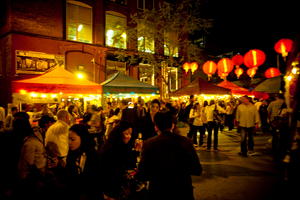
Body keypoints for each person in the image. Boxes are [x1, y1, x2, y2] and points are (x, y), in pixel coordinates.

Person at [136, 112, 202, 200]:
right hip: (183, 191)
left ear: (156, 128)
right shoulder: (186, 142)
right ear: (172, 126)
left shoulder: (149, 144)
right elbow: (197, 169)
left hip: (159, 191)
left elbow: (143, 174)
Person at [98, 120, 143, 200]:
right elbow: (129, 165)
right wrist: (136, 151)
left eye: (130, 134)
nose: (129, 136)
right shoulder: (117, 148)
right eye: (126, 134)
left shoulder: (111, 144)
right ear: (119, 133)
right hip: (113, 186)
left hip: (108, 186)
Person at [60, 124, 100, 199]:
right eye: (68, 139)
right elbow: (69, 176)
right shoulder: (72, 153)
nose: (69, 142)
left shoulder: (93, 156)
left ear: (83, 138)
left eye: (72, 139)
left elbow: (95, 180)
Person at [18, 115, 55, 181]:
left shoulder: (39, 135)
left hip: (40, 167)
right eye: (51, 123)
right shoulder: (31, 140)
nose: (53, 125)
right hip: (36, 170)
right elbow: (27, 162)